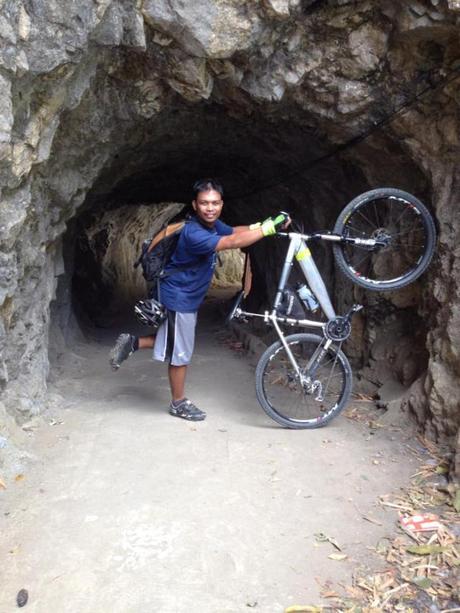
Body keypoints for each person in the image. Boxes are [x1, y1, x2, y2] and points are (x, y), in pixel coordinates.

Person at [109, 178, 289, 421]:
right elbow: (232, 242)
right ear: (195, 205)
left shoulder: (211, 225)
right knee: (180, 352)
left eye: (215, 203)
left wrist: (261, 224)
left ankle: (133, 343)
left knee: (173, 339)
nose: (210, 208)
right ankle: (178, 402)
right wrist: (269, 230)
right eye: (204, 203)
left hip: (186, 296)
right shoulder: (194, 233)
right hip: (178, 297)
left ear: (222, 204)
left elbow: (234, 231)